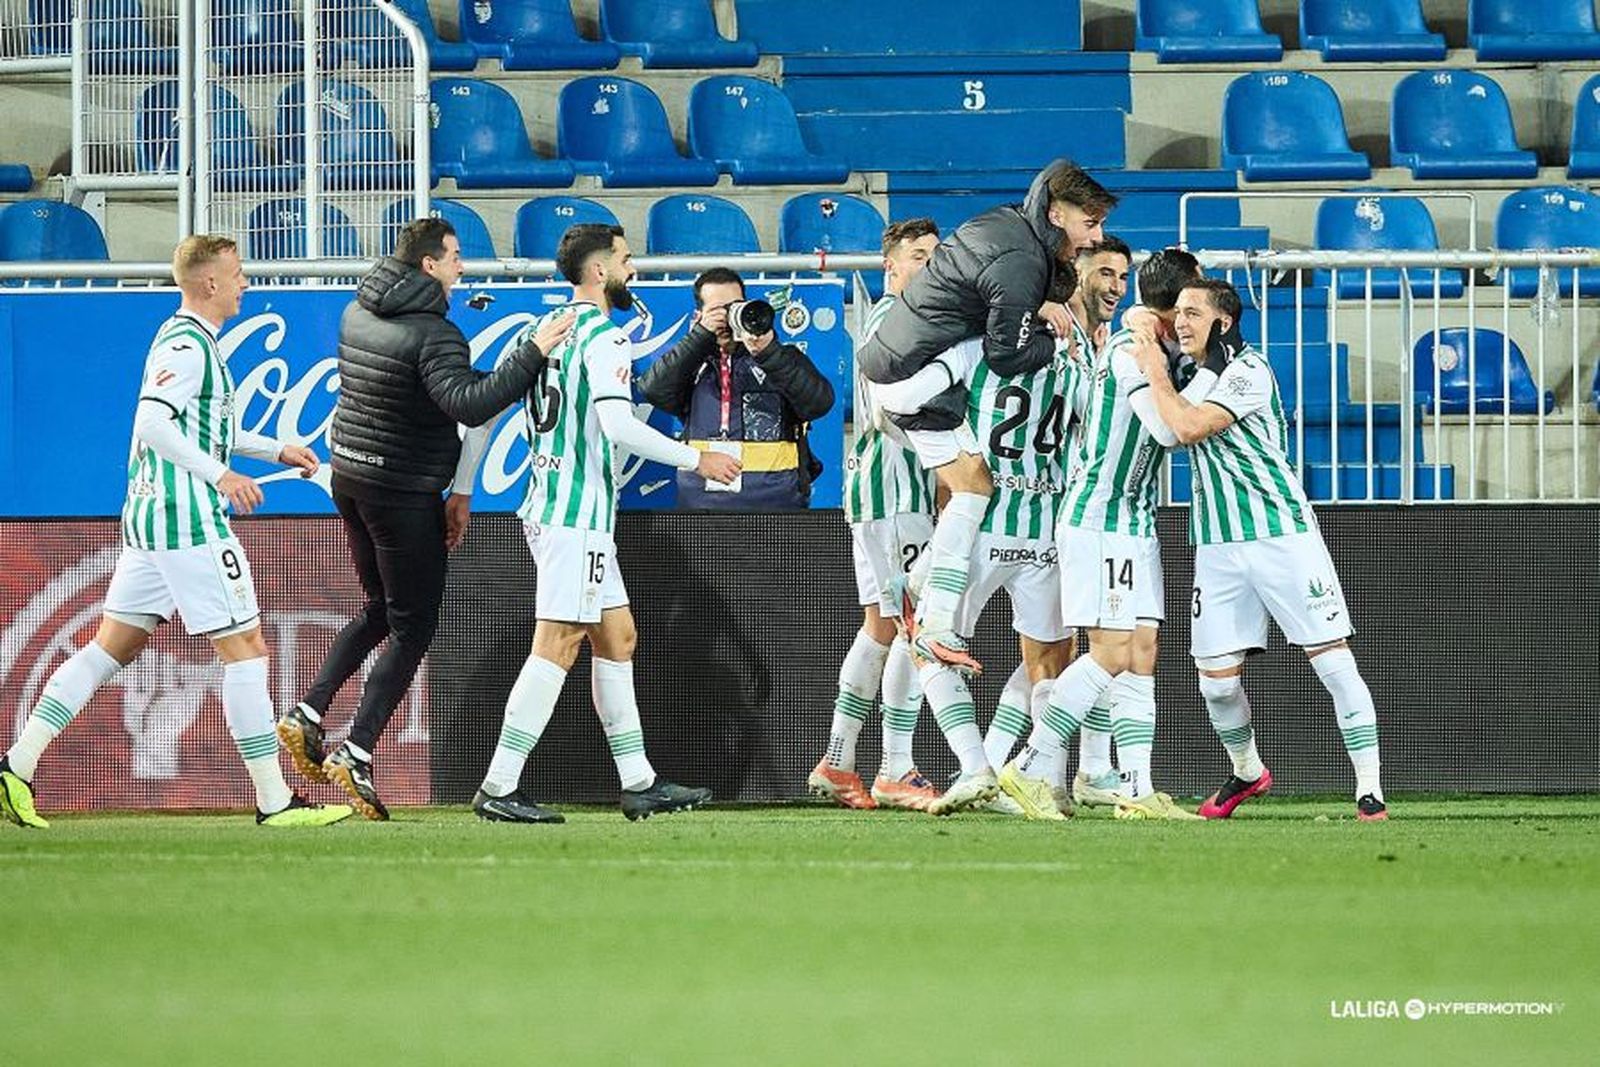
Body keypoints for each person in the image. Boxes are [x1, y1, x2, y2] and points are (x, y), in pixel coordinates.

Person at [0, 235, 350, 829]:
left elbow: (198, 427)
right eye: (238, 274)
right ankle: (274, 800)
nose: (246, 284)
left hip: (148, 518)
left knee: (110, 646)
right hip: (186, 519)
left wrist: (275, 451)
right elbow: (152, 423)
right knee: (246, 650)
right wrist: (222, 477)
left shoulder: (186, 341)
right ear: (209, 282)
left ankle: (16, 766)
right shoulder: (190, 346)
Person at [275, 218, 574, 821]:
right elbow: (470, 402)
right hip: (400, 490)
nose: (463, 265)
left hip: (349, 478)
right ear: (429, 264)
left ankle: (309, 711)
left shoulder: (358, 309)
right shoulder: (435, 334)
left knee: (380, 608)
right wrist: (535, 351)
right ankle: (355, 752)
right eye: (456, 255)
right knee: (413, 626)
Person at [473, 223, 741, 824]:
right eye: (624, 259)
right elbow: (619, 428)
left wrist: (464, 490)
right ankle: (498, 784)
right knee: (558, 642)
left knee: (617, 637)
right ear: (599, 271)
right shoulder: (607, 339)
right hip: (576, 517)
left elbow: (482, 417)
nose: (633, 269)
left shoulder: (537, 332)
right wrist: (698, 457)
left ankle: (639, 781)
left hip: (557, 505)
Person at [1131, 278, 1388, 821]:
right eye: (1176, 313)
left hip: (1281, 535)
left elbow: (1184, 427)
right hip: (1218, 544)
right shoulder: (1200, 377)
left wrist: (1149, 364)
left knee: (1333, 661)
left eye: (1193, 313)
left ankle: (1370, 789)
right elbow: (1163, 427)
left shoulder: (1247, 372)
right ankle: (1248, 771)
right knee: (1215, 685)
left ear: (1223, 323)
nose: (1181, 323)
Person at [856, 160, 1116, 675]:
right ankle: (932, 623)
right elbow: (1005, 355)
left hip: (904, 377)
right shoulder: (1022, 260)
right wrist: (1050, 336)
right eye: (1090, 224)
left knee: (973, 486)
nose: (1096, 236)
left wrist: (1033, 311)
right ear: (1057, 214)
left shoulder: (1007, 227)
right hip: (914, 381)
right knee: (973, 484)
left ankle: (914, 591)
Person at [998, 249, 1213, 822]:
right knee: (1111, 652)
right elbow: (1168, 433)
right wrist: (1149, 345)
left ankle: (1136, 790)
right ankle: (1027, 767)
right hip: (1100, 520)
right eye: (1194, 302)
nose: (1200, 314)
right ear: (1177, 304)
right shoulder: (1127, 352)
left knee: (1143, 652)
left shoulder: (1156, 347)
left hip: (1136, 521)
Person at [809, 218, 943, 813]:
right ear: (891, 265)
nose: (929, 265)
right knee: (916, 623)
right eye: (917, 256)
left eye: (936, 256)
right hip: (896, 490)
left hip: (873, 488)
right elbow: (897, 412)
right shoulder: (898, 320)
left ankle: (839, 761)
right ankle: (895, 766)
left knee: (881, 626)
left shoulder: (891, 318)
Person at [637, 268, 834, 509]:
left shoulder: (780, 357)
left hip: (777, 513)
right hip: (701, 513)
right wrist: (700, 337)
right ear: (698, 316)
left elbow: (819, 403)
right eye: (718, 311)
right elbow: (652, 389)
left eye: (734, 308)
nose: (728, 319)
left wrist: (768, 352)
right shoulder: (692, 365)